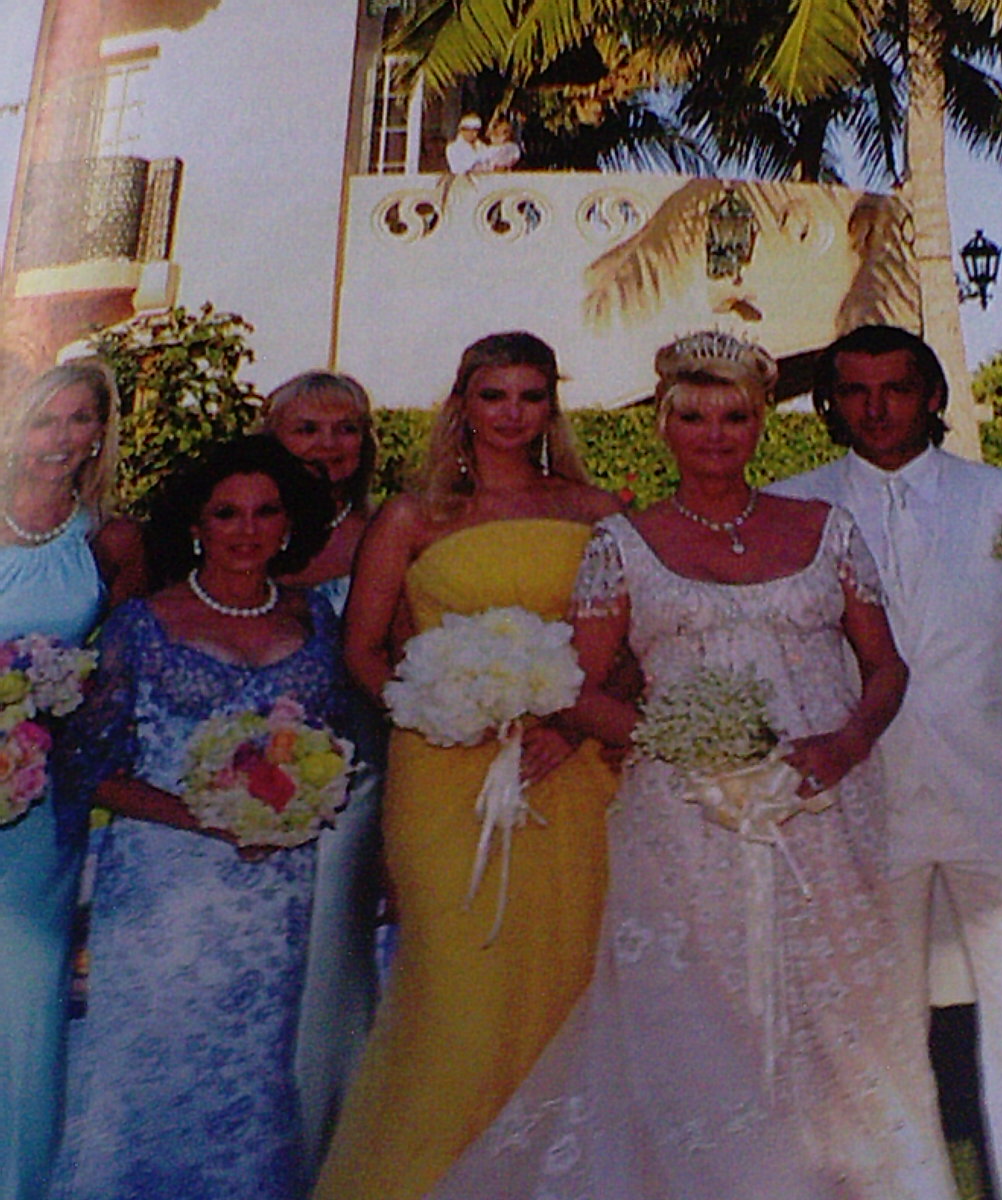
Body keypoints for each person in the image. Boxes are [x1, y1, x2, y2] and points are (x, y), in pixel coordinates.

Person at [427, 330, 958, 1199]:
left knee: (844, 1002)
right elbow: (577, 685)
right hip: (685, 814)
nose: (715, 435)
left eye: (735, 417)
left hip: (821, 801)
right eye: (695, 417)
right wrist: (681, 742)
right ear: (665, 426)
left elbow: (886, 665)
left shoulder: (826, 528)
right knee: (700, 1009)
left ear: (760, 426)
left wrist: (847, 743)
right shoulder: (621, 544)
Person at [770, 324, 1002, 1199]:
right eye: (855, 391)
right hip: (857, 807)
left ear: (932, 396)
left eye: (896, 387)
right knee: (872, 1036)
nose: (877, 408)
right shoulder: (789, 507)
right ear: (830, 405)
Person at [312, 333, 620, 1200]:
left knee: (564, 985)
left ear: (551, 407)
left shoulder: (597, 512)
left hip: (568, 773)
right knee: (458, 996)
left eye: (530, 396)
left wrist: (574, 729)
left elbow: (627, 652)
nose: (512, 414)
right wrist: (437, 708)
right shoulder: (412, 518)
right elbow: (363, 650)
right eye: (494, 396)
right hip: (444, 774)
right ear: (464, 405)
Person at [49, 435, 343, 1198]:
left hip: (272, 891)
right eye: (226, 513)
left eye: (265, 512)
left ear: (289, 522)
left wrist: (295, 807)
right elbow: (87, 769)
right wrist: (204, 817)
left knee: (252, 1065)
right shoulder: (142, 623)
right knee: (144, 1062)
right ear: (194, 524)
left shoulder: (314, 620)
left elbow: (330, 747)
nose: (246, 530)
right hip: (164, 883)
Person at [0, 360, 138, 1200]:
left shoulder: (109, 541)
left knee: (26, 997)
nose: (59, 437)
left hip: (38, 797)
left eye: (78, 419)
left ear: (99, 434)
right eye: (44, 418)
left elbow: (120, 676)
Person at [260, 370, 385, 1168]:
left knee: (329, 971)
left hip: (355, 788)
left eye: (345, 429)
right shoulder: (235, 526)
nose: (327, 445)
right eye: (307, 429)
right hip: (244, 782)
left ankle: (328, 1155)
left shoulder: (389, 532)